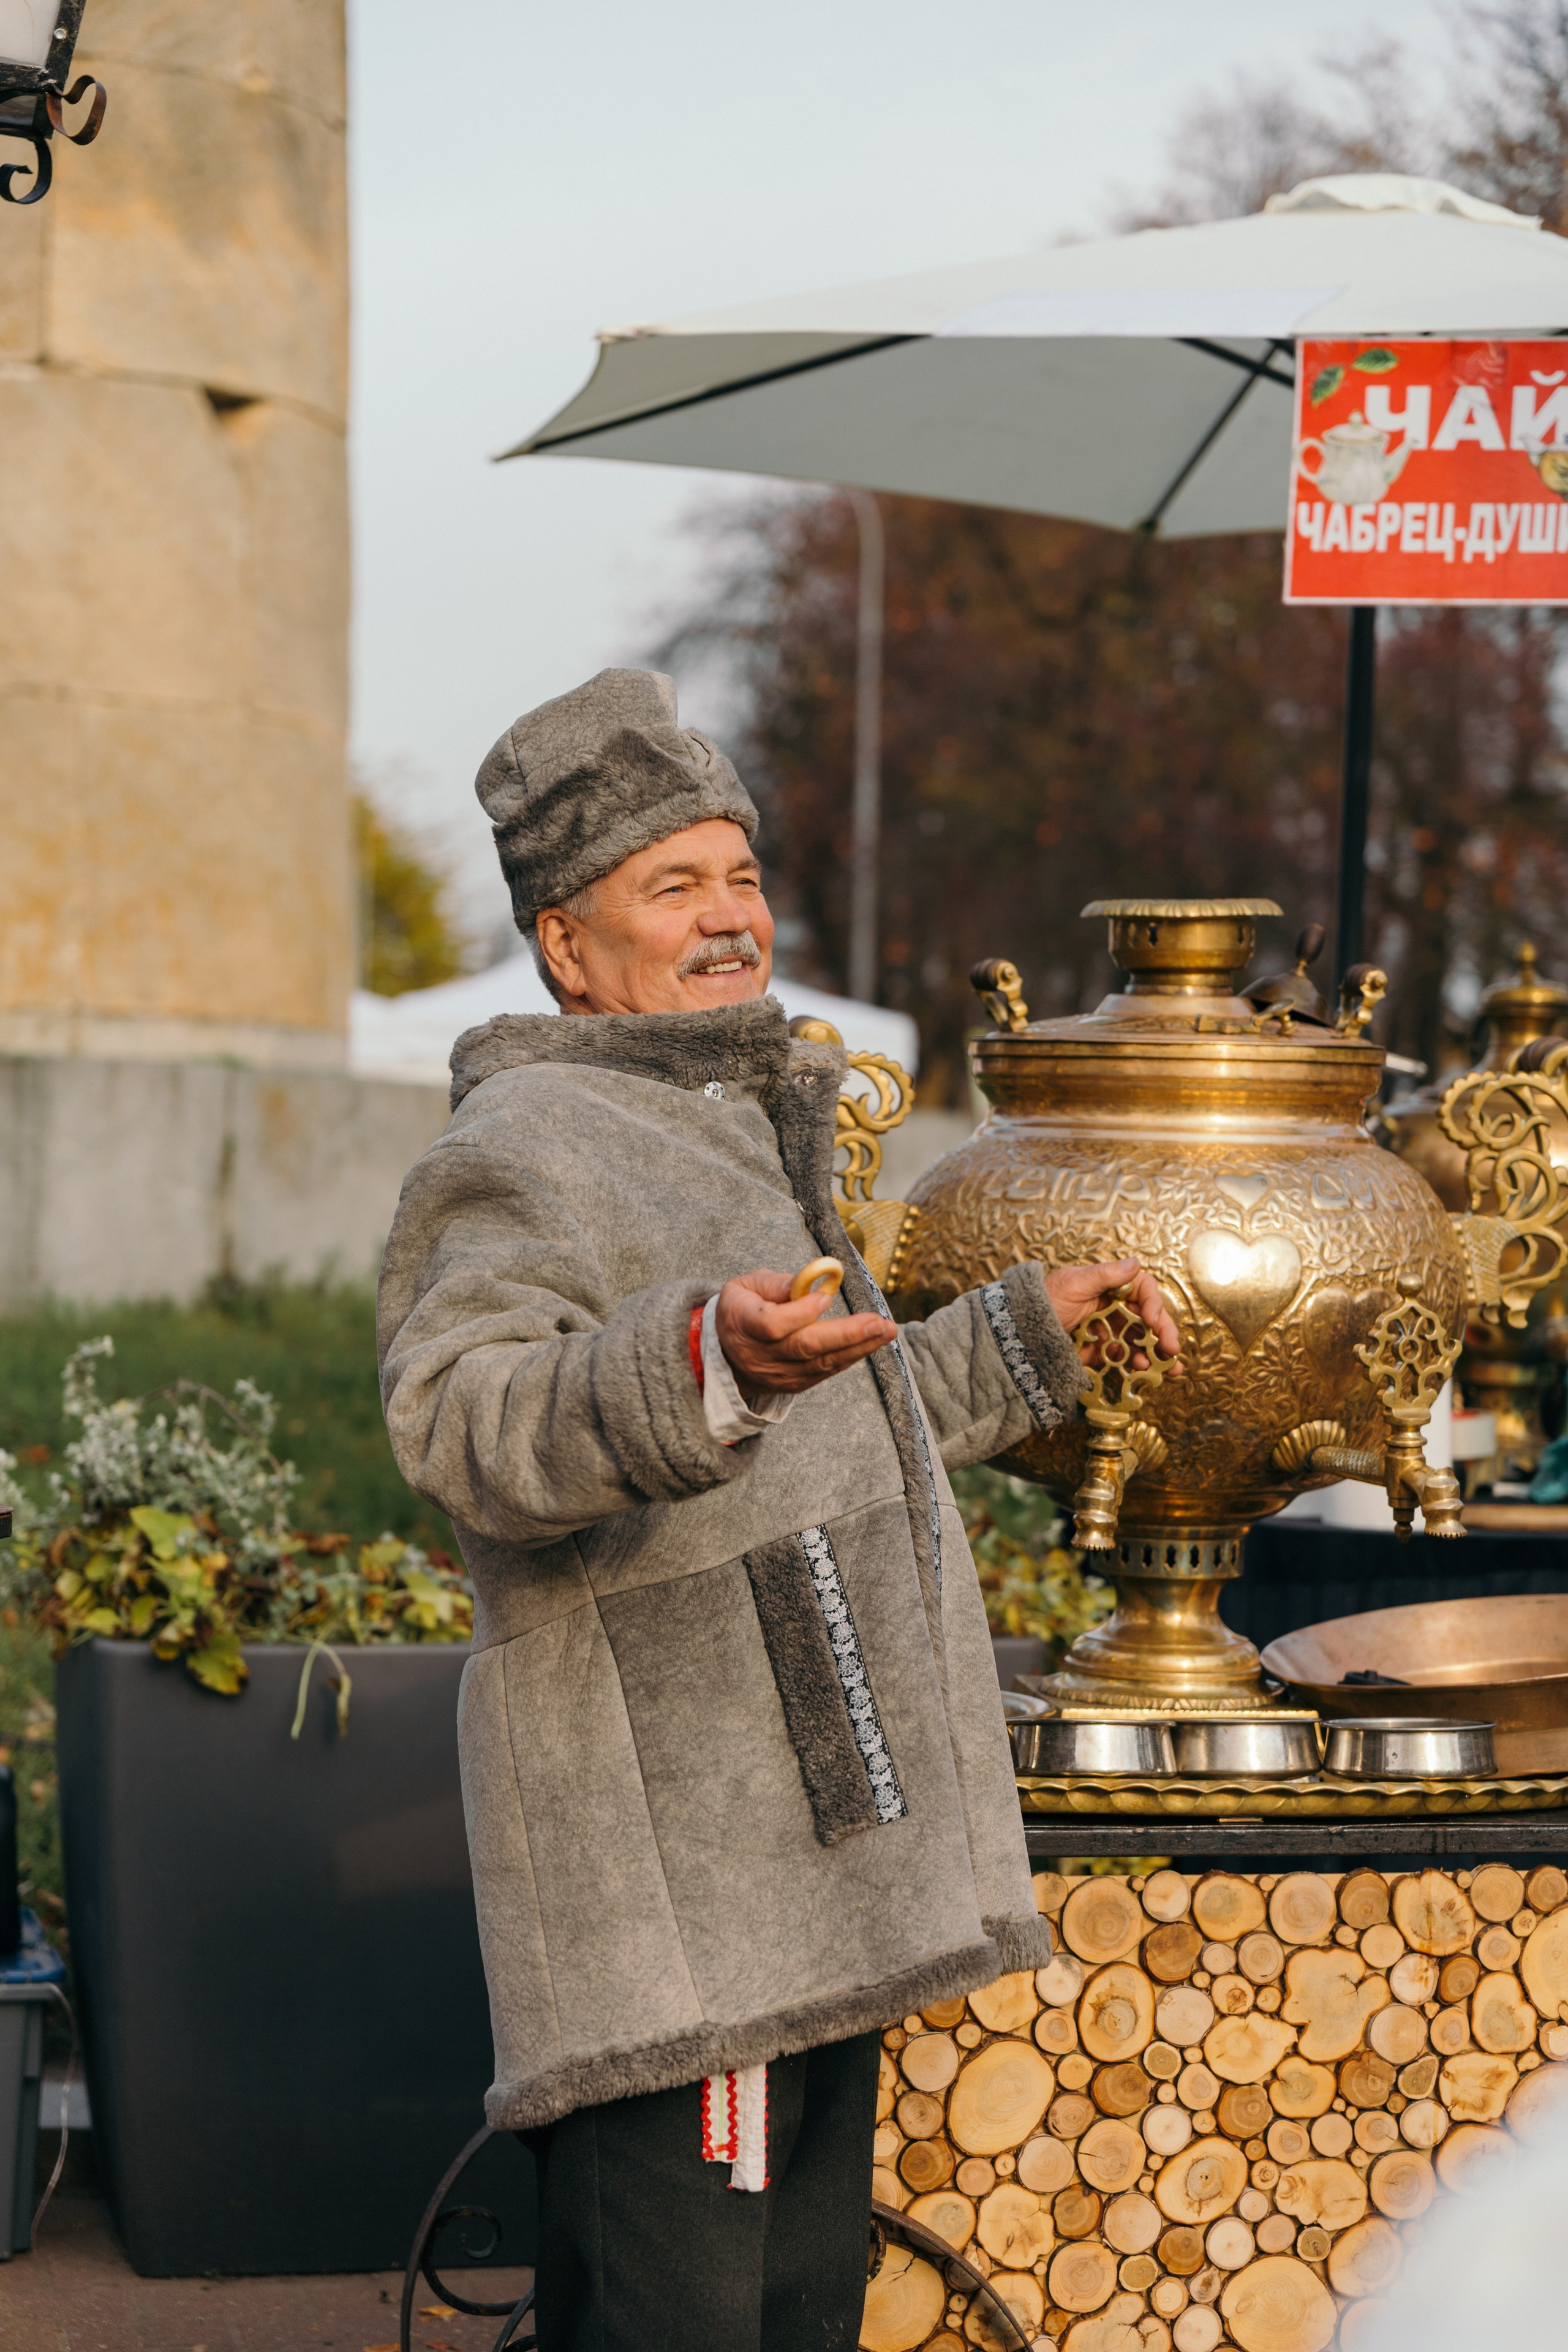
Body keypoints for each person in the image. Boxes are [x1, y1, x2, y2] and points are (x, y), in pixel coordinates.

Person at [377, 668, 1180, 2352]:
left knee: (796, 2311)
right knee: (676, 2322)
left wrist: (1025, 1336)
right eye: (673, 885)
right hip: (678, 1891)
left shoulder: (724, 1116)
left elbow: (834, 1421)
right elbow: (461, 1423)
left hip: (806, 1860)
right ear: (564, 944)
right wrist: (697, 1364)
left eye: (740, 875)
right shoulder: (528, 1139)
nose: (729, 915)